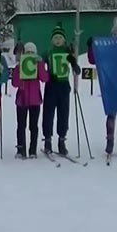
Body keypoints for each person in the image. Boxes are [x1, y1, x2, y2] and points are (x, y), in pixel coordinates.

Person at [87, 20, 117, 156]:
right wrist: (91, 46)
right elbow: (94, 59)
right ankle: (109, 140)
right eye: (115, 34)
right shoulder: (108, 47)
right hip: (111, 85)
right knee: (111, 114)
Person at [41, 23, 81, 155]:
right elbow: (40, 61)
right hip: (52, 85)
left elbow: (73, 61)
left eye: (60, 38)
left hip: (64, 86)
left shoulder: (67, 51)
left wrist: (75, 65)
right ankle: (47, 139)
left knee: (63, 114)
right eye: (55, 38)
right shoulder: (49, 51)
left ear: (63, 39)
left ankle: (62, 139)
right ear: (52, 40)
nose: (58, 40)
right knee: (48, 113)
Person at [11, 42, 49, 158]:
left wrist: (40, 64)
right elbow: (14, 83)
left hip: (34, 100)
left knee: (34, 126)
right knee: (21, 125)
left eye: (32, 53)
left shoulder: (37, 65)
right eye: (28, 53)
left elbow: (45, 78)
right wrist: (19, 70)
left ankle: (32, 150)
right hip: (22, 99)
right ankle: (20, 149)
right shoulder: (19, 67)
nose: (30, 55)